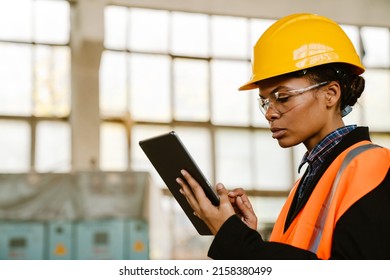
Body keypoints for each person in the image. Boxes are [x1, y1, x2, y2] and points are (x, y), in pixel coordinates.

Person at [175, 13, 390, 259]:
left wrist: (234, 238)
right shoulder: (310, 180)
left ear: (331, 94)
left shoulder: (371, 165)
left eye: (283, 97)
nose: (270, 114)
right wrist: (249, 237)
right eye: (265, 102)